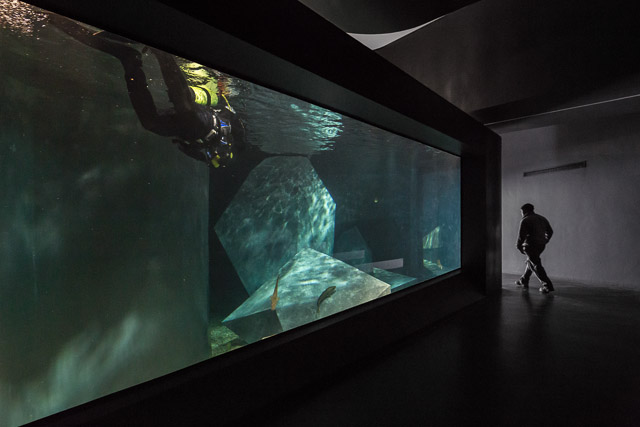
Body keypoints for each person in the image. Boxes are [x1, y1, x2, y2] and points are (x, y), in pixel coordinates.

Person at [48, 14, 243, 168]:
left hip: (188, 132)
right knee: (184, 106)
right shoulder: (235, 135)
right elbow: (226, 115)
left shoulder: (217, 156)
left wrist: (185, 147)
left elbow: (195, 152)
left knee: (150, 123)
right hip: (205, 125)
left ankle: (129, 59)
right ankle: (162, 52)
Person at [515, 203, 555, 293]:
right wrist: (546, 240)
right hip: (541, 245)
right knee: (532, 261)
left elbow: (521, 236)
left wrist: (518, 246)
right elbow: (550, 231)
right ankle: (524, 279)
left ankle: (547, 285)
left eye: (521, 212)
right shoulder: (542, 218)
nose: (521, 214)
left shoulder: (525, 220)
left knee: (536, 265)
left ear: (524, 211)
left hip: (530, 245)